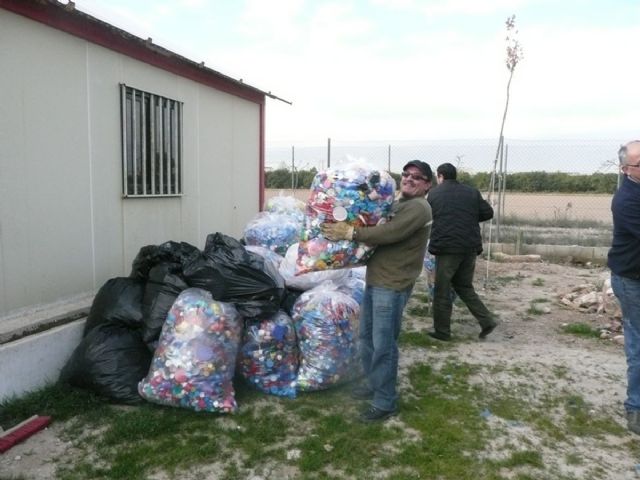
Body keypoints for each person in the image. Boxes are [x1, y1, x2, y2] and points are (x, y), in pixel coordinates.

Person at [321, 160, 433, 422]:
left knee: (384, 345)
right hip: (376, 279)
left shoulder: (419, 207)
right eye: (406, 174)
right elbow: (375, 216)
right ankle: (374, 383)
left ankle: (385, 401)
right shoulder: (400, 202)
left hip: (392, 285)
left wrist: (351, 232)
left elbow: (388, 233)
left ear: (428, 184)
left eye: (417, 177)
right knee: (367, 339)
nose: (409, 179)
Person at [427, 162, 496, 341]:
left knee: (442, 290)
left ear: (440, 176)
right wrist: (468, 217)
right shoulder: (471, 192)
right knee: (464, 286)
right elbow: (488, 213)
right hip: (470, 247)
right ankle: (486, 320)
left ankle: (442, 332)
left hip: (447, 248)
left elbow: (427, 216)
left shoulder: (434, 194)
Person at [608, 140, 640, 435]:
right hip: (632, 280)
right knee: (638, 341)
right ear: (625, 169)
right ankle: (635, 407)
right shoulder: (627, 200)